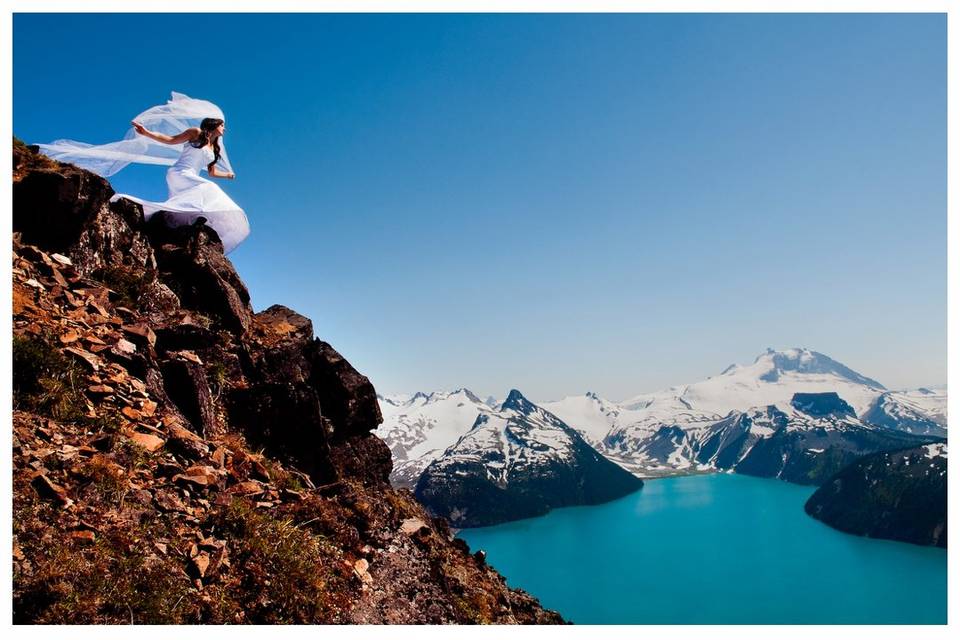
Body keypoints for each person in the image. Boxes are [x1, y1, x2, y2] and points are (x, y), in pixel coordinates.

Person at [35, 92, 250, 253]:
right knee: (207, 190)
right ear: (214, 125)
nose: (225, 129)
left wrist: (228, 175)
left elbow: (212, 173)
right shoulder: (195, 133)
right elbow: (170, 140)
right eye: (223, 125)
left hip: (191, 177)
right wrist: (147, 133)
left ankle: (180, 229)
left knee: (202, 194)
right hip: (179, 173)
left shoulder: (215, 150)